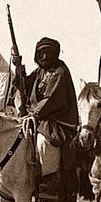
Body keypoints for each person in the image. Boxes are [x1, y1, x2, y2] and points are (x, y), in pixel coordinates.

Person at [15, 37, 78, 190]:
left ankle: (48, 177)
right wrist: (18, 68)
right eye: (41, 53)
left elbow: (51, 99)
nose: (44, 57)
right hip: (37, 118)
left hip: (56, 121)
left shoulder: (60, 72)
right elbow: (23, 85)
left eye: (48, 53)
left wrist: (33, 115)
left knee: (43, 142)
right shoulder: (39, 71)